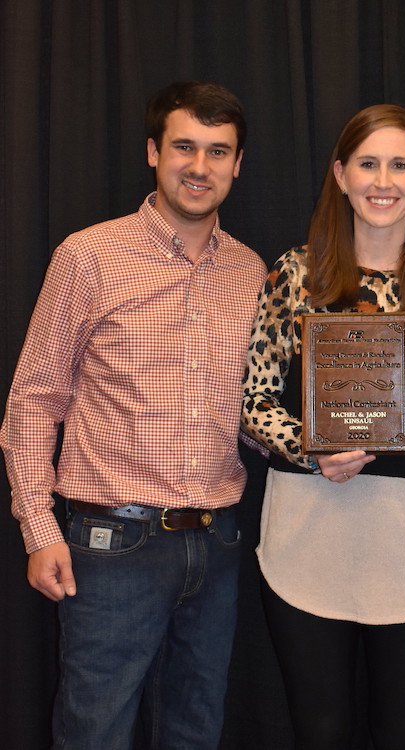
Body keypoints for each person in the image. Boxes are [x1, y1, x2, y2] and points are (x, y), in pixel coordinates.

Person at [0, 81, 267, 749]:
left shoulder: (252, 271)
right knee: (96, 730)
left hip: (219, 540)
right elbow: (35, 397)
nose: (199, 167)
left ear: (238, 164)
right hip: (111, 546)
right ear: (153, 152)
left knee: (195, 730)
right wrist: (38, 528)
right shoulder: (89, 257)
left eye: (217, 151)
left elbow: (258, 405)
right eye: (183, 146)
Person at [241, 104, 405, 749]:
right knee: (318, 732)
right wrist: (307, 451)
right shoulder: (295, 274)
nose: (384, 180)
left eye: (401, 164)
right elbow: (256, 399)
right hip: (310, 526)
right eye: (369, 163)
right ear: (341, 175)